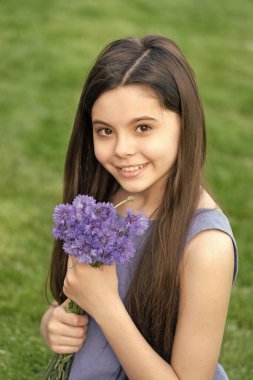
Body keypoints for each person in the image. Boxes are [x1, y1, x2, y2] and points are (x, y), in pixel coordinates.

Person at [40, 35, 238, 380]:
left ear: (185, 124)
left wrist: (106, 305)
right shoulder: (101, 202)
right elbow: (71, 299)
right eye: (105, 131)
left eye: (143, 127)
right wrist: (54, 324)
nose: (122, 149)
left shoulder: (206, 246)